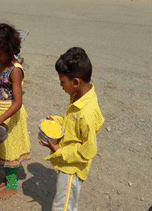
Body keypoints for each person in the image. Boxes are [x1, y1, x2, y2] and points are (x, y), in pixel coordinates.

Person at [38, 47, 104, 211]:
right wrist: (58, 121)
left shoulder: (87, 113)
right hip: (67, 161)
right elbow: (71, 123)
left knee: (63, 206)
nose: (61, 85)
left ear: (75, 82)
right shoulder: (79, 96)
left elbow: (88, 151)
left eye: (62, 81)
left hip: (72, 169)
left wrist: (59, 151)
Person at [0, 23, 32, 201]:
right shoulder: (1, 65)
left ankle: (12, 185)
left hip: (10, 116)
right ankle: (8, 178)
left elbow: (18, 102)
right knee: (3, 148)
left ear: (9, 49)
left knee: (10, 150)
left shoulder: (15, 71)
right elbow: (1, 88)